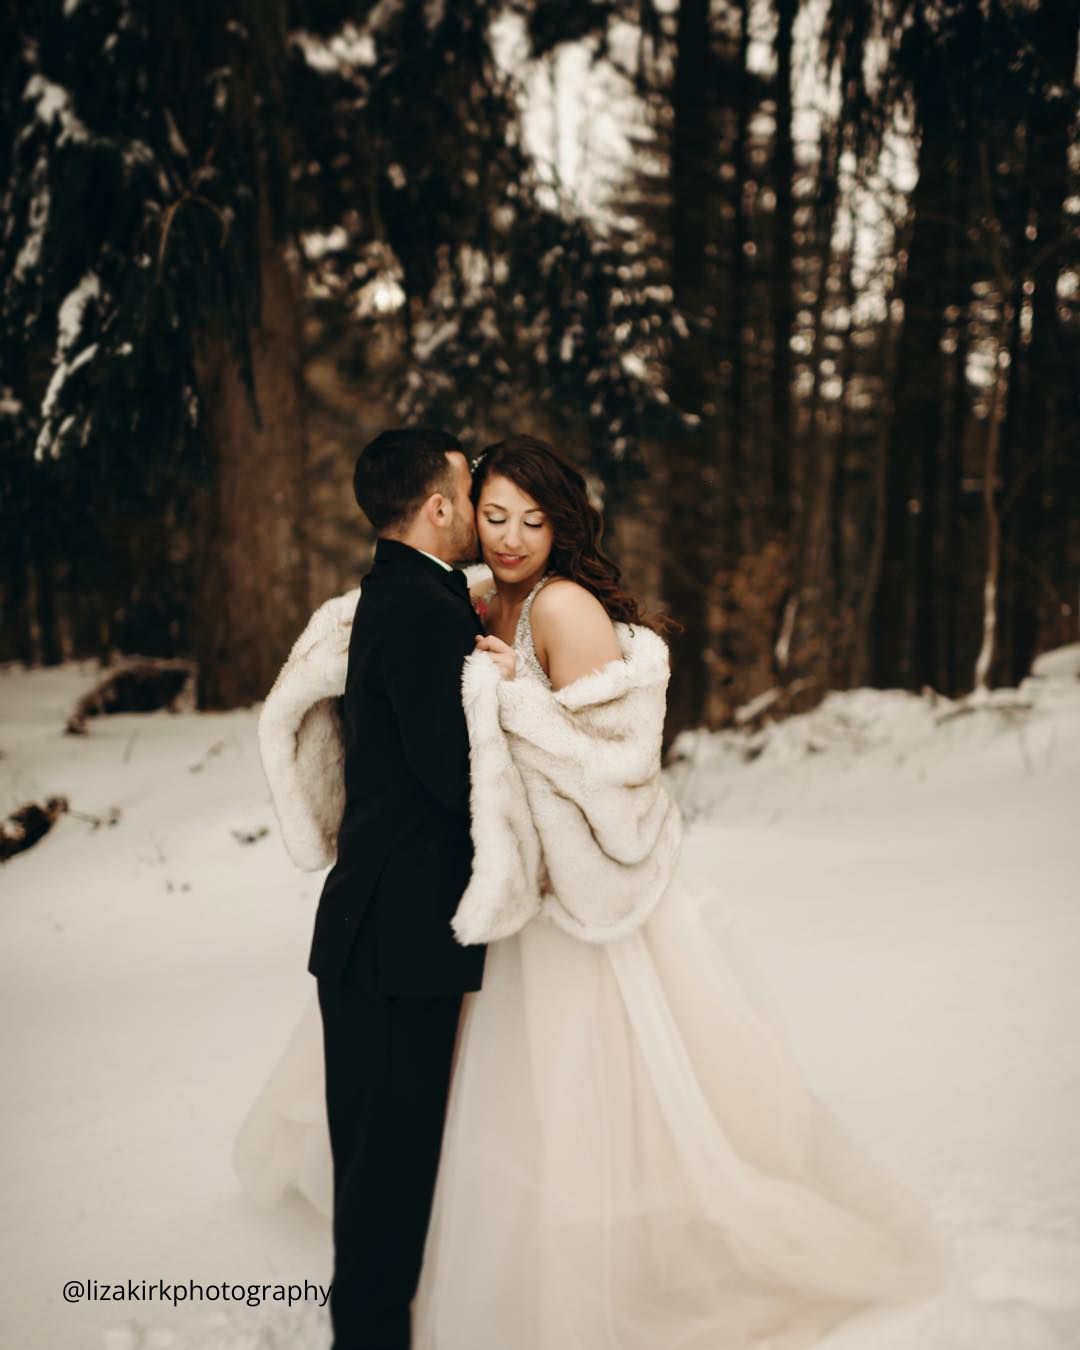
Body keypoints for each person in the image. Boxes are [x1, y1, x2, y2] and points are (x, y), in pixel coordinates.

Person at [245, 433, 951, 1350]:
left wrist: (508, 704)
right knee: (440, 1129)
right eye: (493, 513)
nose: (508, 535)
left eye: (533, 520)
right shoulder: (457, 600)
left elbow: (610, 762)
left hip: (557, 903)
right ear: (455, 511)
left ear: (564, 524)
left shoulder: (562, 605)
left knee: (569, 1108)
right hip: (468, 905)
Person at [300, 427, 484, 1350]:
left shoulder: (406, 594)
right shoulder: (423, 610)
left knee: (379, 1175)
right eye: (468, 487)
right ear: (439, 505)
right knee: (386, 1182)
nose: (480, 504)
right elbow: (452, 774)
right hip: (396, 944)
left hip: (383, 935)